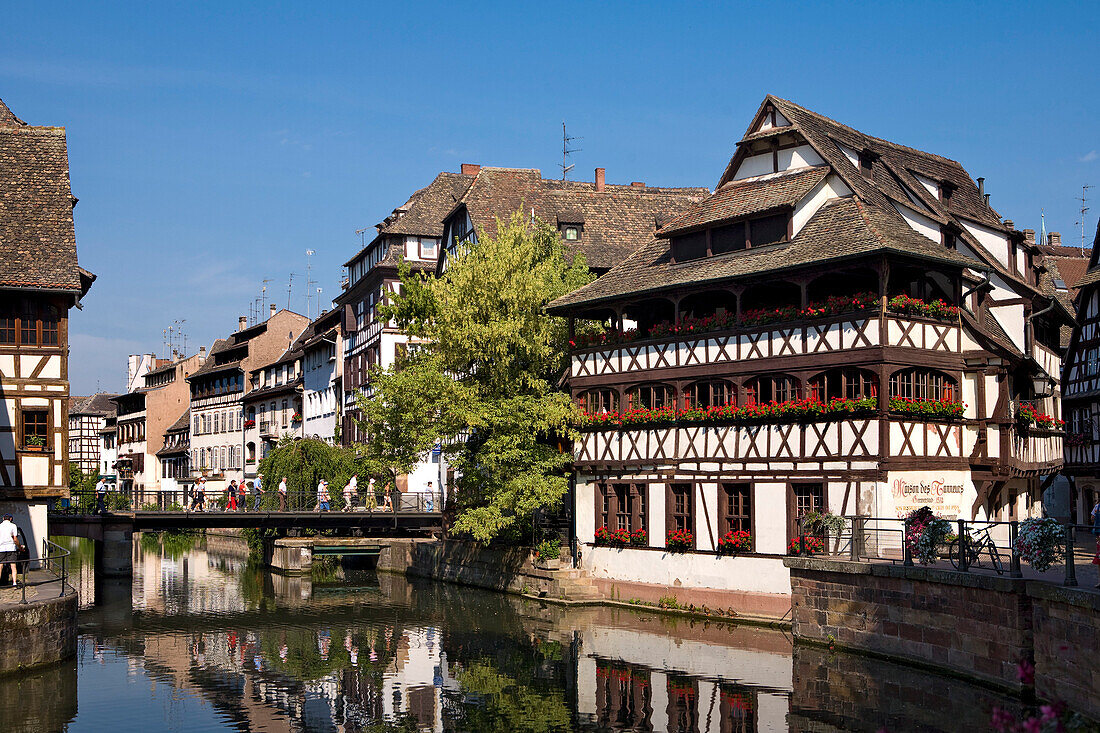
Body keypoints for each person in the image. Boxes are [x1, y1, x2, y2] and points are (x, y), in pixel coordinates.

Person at [0, 514, 21, 586]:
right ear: (11, 519)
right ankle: (14, 582)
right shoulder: (13, 526)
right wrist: (19, 546)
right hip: (11, 547)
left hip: (1, 548)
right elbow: (15, 539)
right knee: (13, 566)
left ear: (3, 518)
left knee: (0, 566)